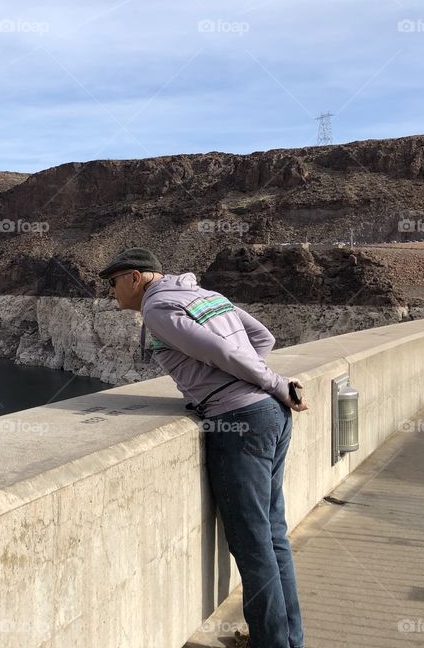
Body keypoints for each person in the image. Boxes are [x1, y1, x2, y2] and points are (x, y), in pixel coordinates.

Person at [98, 247, 307, 648]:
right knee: (273, 532)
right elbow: (262, 337)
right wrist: (252, 384)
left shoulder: (158, 310)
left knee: (252, 542)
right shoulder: (205, 295)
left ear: (135, 278)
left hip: (240, 423)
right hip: (272, 417)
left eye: (113, 283)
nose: (111, 292)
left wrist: (265, 385)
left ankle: (274, 644)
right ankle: (286, 638)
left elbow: (224, 353)